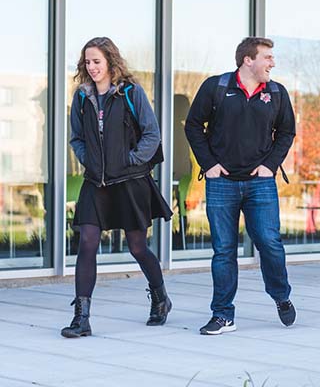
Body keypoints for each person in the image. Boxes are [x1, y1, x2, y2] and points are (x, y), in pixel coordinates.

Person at [185, 37, 296, 335]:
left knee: (270, 244)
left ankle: (281, 295)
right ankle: (223, 315)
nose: (272, 62)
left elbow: (287, 132)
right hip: (221, 183)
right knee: (223, 251)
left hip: (260, 183)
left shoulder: (276, 93)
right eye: (267, 57)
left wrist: (269, 166)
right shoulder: (216, 87)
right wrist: (208, 164)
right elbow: (192, 126)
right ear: (248, 60)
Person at [63, 37, 173, 338]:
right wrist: (90, 161)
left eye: (97, 61)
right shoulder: (83, 97)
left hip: (129, 182)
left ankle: (160, 298)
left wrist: (129, 160)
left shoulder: (130, 92)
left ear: (111, 61)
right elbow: (76, 138)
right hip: (95, 183)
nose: (91, 67)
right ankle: (81, 318)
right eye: (87, 62)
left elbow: (152, 134)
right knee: (87, 242)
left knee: (137, 247)